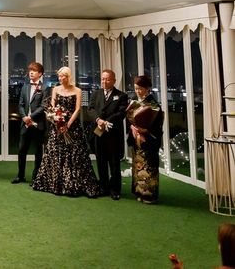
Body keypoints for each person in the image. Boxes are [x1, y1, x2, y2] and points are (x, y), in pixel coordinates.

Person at [32, 66, 101, 197]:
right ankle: (55, 184)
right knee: (55, 154)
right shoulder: (55, 89)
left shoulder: (78, 90)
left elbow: (77, 109)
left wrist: (68, 124)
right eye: (59, 76)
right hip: (57, 127)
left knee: (75, 155)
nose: (60, 78)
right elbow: (52, 107)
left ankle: (74, 184)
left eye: (62, 76)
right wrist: (57, 121)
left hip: (73, 127)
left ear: (68, 77)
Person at [87, 68, 129, 200]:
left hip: (113, 134)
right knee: (101, 161)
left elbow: (121, 113)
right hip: (98, 132)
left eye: (108, 79)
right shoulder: (96, 93)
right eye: (103, 79)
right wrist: (98, 120)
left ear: (114, 81)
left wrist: (106, 122)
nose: (104, 81)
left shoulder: (121, 96)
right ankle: (103, 187)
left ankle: (115, 190)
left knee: (114, 162)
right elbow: (90, 109)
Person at [126, 74, 164, 204]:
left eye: (140, 88)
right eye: (136, 88)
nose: (137, 91)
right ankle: (139, 191)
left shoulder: (153, 104)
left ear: (148, 88)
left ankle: (149, 195)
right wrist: (132, 126)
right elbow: (129, 117)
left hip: (148, 140)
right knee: (137, 166)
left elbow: (158, 125)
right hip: (136, 137)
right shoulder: (134, 100)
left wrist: (146, 130)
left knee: (149, 166)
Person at [12, 62, 50, 185]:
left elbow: (44, 106)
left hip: (38, 124)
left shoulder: (45, 88)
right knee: (21, 150)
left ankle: (36, 178)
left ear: (40, 74)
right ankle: (20, 175)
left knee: (38, 152)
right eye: (30, 71)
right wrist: (24, 117)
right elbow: (21, 104)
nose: (31, 73)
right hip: (25, 124)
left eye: (34, 71)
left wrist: (30, 117)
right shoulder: (25, 87)